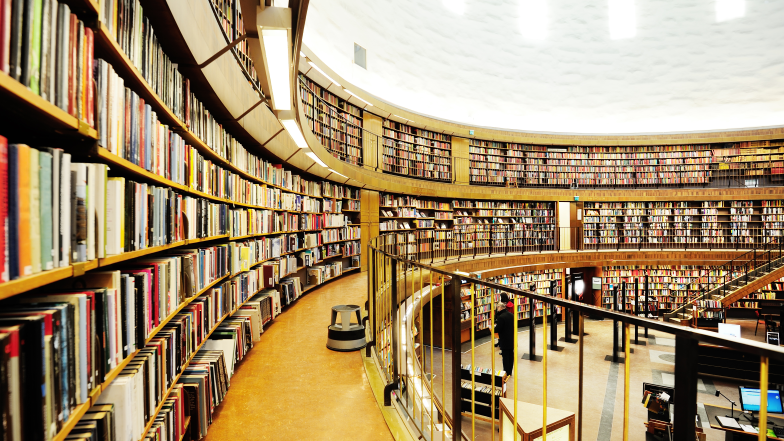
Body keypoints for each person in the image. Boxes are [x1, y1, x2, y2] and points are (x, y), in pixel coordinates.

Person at [495, 293, 515, 378]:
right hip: (511, 338)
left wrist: (494, 328)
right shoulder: (511, 315)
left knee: (505, 357)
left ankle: (506, 372)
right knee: (511, 355)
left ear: (500, 307)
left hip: (504, 340)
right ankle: (510, 371)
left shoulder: (501, 317)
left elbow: (497, 329)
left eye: (497, 308)